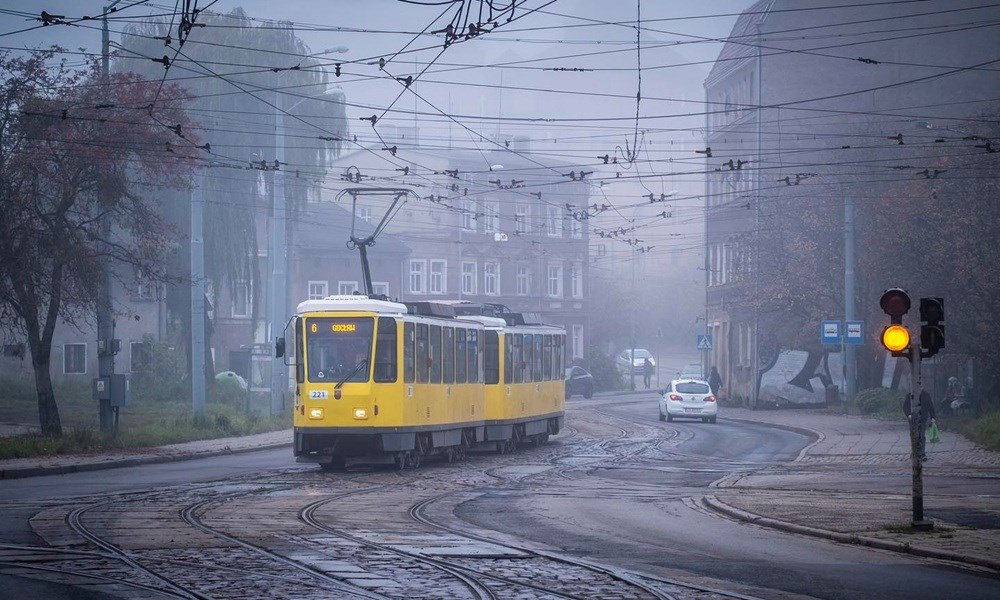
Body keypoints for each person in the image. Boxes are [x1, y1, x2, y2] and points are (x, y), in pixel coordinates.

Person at [903, 389, 936, 462]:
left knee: (921, 435)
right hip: (913, 419)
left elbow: (930, 406)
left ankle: (922, 453)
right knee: (913, 435)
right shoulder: (910, 395)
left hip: (922, 418)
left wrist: (933, 417)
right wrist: (909, 415)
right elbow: (905, 407)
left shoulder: (926, 395)